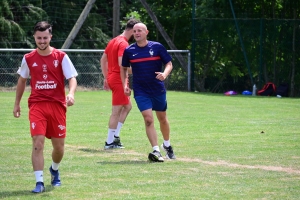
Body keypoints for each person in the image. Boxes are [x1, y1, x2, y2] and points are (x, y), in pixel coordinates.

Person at [13, 21, 78, 193]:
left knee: (59, 147)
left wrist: (71, 94)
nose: (42, 41)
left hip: (57, 105)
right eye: (39, 38)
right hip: (37, 105)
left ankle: (54, 170)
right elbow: (22, 80)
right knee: (38, 144)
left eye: (45, 38)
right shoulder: (28, 58)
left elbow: (72, 78)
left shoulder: (61, 57)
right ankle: (39, 182)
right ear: (34, 37)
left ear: (50, 37)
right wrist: (17, 104)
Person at [121, 22, 176, 162]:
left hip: (157, 88)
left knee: (162, 118)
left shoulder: (157, 47)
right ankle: (156, 150)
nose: (136, 33)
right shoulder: (129, 50)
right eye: (134, 31)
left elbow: (169, 63)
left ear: (146, 32)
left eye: (139, 30)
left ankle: (167, 145)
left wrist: (165, 74)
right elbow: (123, 68)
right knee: (148, 119)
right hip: (140, 90)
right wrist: (125, 84)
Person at [100, 18, 140, 149]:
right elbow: (122, 65)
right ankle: (109, 142)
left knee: (128, 107)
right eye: (137, 31)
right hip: (119, 79)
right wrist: (140, 70)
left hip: (114, 78)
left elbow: (103, 60)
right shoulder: (123, 44)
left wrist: (106, 77)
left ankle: (115, 136)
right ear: (132, 31)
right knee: (116, 111)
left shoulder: (114, 41)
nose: (138, 35)